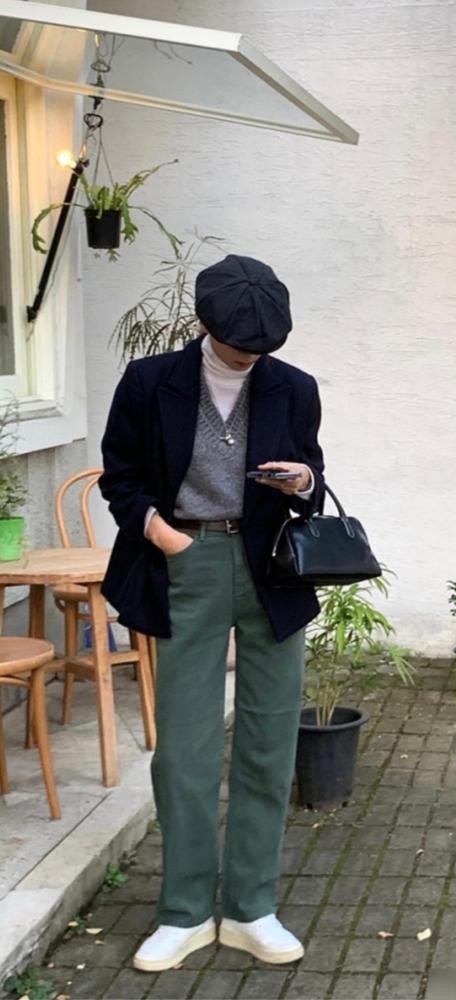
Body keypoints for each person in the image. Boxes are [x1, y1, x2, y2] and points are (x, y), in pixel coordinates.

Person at [99, 255, 325, 972]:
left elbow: (315, 478)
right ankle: (185, 913)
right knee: (184, 747)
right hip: (185, 561)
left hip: (270, 571)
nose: (249, 357)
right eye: (238, 347)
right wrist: (164, 536)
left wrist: (303, 479)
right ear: (207, 325)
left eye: (261, 348)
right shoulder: (150, 381)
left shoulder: (294, 387)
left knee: (268, 740)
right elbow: (120, 477)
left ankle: (253, 908)